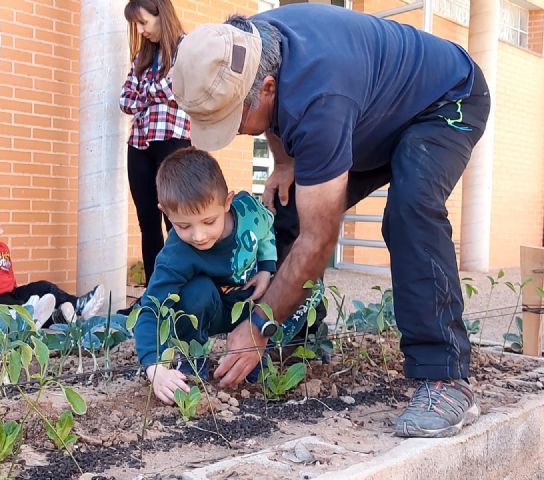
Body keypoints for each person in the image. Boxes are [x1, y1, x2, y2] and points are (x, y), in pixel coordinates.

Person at [170, 4, 491, 438]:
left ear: (265, 89)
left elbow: (320, 241)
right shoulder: (249, 41)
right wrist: (283, 162)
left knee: (409, 211)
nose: (237, 132)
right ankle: (298, 342)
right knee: (285, 208)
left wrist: (258, 322)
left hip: (445, 100)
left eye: (234, 120)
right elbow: (271, 113)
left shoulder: (319, 100)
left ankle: (446, 378)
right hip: (371, 113)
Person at [134, 147, 321, 404]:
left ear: (227, 202)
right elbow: (152, 308)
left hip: (249, 304)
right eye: (183, 226)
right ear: (165, 212)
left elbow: (265, 229)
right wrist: (154, 368)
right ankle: (193, 359)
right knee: (194, 291)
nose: (198, 236)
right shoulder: (175, 255)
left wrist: (267, 268)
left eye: (209, 222)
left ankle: (260, 352)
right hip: (211, 309)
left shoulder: (248, 212)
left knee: (304, 285)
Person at [120, 0, 191, 289]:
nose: (139, 30)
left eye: (143, 22)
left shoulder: (187, 48)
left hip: (173, 142)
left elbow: (177, 89)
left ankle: (180, 293)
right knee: (147, 223)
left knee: (176, 221)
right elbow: (124, 101)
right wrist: (156, 92)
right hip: (139, 145)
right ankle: (154, 294)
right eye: (134, 25)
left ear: (161, 15)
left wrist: (146, 94)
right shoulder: (142, 57)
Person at [0, 204, 105, 326]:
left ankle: (78, 305)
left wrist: (17, 288)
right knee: (23, 308)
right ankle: (56, 319)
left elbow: (9, 274)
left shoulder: (2, 247)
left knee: (45, 286)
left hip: (12, 292)